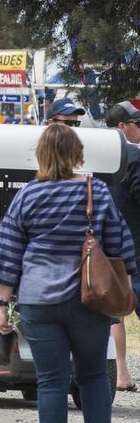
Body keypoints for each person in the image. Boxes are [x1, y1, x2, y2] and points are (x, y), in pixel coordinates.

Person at [0, 123, 137, 422]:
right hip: (89, 300)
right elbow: (121, 244)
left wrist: (1, 308)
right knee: (94, 376)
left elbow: (8, 254)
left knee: (51, 382)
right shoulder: (94, 190)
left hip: (39, 302)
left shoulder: (27, 196)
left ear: (40, 155)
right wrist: (127, 285)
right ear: (77, 154)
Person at [105, 101, 140, 392]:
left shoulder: (96, 155)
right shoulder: (134, 157)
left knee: (115, 313)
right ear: (122, 127)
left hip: (106, 248)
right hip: (137, 246)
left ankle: (121, 373)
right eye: (136, 123)